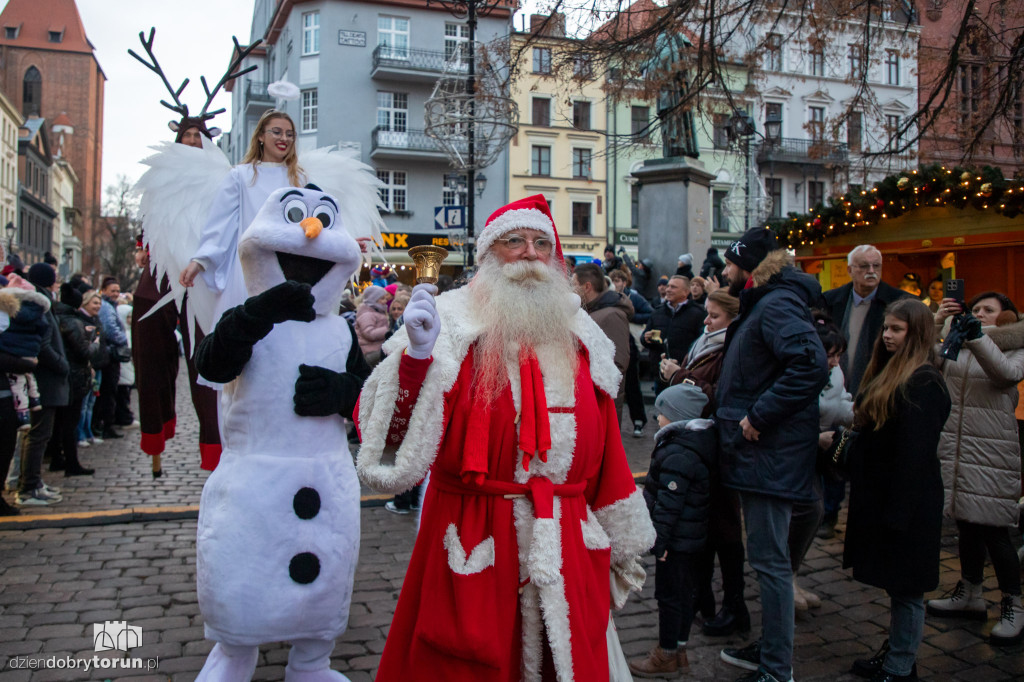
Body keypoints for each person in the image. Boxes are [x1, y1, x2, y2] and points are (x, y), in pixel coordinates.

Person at [356, 194, 655, 681]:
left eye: (541, 242)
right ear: (488, 257)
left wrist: (622, 542)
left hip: (566, 542)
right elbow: (388, 441)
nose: (531, 253)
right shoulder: (450, 324)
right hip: (473, 536)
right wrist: (416, 360)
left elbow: (607, 452)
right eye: (514, 241)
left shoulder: (581, 336)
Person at [715, 228, 828, 682]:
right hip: (763, 454)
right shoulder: (767, 300)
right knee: (768, 560)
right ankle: (771, 649)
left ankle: (777, 668)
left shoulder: (776, 303)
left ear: (748, 265)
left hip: (769, 452)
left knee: (771, 563)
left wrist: (757, 417)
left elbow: (811, 364)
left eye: (730, 263)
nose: (723, 272)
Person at [842, 299, 951, 681]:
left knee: (907, 590)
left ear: (916, 332)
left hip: (908, 504)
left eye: (897, 330)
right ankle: (896, 654)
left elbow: (915, 458)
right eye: (886, 328)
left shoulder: (923, 382)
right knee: (897, 587)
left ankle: (901, 666)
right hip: (887, 499)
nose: (887, 336)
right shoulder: (891, 371)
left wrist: (898, 515)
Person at [926, 291, 1024, 644]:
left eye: (989, 310)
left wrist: (979, 338)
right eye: (977, 309)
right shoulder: (958, 340)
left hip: (992, 450)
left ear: (1007, 317)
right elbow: (925, 362)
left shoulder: (1016, 344)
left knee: (995, 529)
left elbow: (1006, 375)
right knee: (965, 521)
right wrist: (937, 322)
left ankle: (1013, 603)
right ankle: (970, 593)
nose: (980, 313)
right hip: (956, 445)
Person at [656, 289, 749, 636]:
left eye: (714, 316)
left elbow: (719, 393)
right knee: (709, 524)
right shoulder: (707, 341)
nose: (706, 321)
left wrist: (679, 376)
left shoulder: (731, 347)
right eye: (707, 314)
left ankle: (734, 605)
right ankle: (704, 596)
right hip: (701, 440)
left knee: (724, 527)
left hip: (719, 441)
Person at [819, 244, 911, 538]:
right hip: (837, 387)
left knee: (869, 455)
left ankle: (868, 520)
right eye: (864, 266)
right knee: (833, 450)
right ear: (850, 270)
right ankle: (829, 513)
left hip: (877, 389)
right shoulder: (832, 300)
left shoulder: (898, 302)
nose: (871, 272)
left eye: (876, 266)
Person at [179, 109, 303, 318]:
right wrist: (200, 261)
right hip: (248, 269)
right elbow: (221, 223)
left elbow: (312, 223)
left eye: (289, 134)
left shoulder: (299, 179)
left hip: (288, 269)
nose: (284, 138)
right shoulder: (240, 176)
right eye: (277, 132)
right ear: (261, 136)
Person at [629, 383, 716, 678]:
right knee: (683, 595)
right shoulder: (691, 444)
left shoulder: (678, 452)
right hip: (691, 539)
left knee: (669, 598)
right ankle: (679, 651)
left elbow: (669, 505)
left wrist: (660, 542)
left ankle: (666, 654)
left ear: (677, 415)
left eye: (662, 412)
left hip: (677, 541)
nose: (657, 417)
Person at [789, 311, 853, 612]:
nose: (835, 362)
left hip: (815, 455)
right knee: (803, 513)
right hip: (794, 454)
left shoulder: (834, 373)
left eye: (839, 355)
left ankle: (792, 577)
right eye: (831, 355)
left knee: (812, 513)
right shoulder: (797, 373)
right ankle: (785, 582)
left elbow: (837, 404)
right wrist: (815, 439)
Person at [15, 263, 69, 507]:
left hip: (45, 380)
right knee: (39, 435)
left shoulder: (40, 301)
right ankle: (29, 487)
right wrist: (62, 364)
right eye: (55, 279)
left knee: (38, 435)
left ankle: (33, 483)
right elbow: (44, 345)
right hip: (46, 381)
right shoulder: (40, 304)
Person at [49, 284, 104, 477]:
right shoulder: (72, 321)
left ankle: (58, 458)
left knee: (60, 423)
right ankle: (71, 463)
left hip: (65, 376)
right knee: (69, 423)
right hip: (74, 377)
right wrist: (95, 344)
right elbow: (83, 352)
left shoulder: (57, 315)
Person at [574, 263, 634, 413]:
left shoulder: (612, 315)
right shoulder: (593, 310)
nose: (571, 290)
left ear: (587, 287)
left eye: (573, 285)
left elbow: (617, 363)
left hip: (602, 401)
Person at [642, 275, 704, 394]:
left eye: (673, 287)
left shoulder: (698, 314)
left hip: (685, 373)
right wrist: (646, 338)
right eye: (668, 286)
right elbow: (645, 338)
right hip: (661, 372)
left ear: (686, 292)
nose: (668, 289)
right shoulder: (657, 312)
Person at [94, 277, 127, 440]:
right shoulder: (106, 307)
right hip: (109, 353)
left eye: (117, 291)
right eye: (112, 290)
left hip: (110, 352)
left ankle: (107, 424)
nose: (115, 294)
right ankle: (106, 425)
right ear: (104, 290)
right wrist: (124, 339)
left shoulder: (110, 306)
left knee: (110, 391)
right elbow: (110, 330)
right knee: (108, 391)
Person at [354, 286, 391, 366]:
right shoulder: (367, 314)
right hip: (369, 351)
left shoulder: (377, 312)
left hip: (375, 348)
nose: (385, 301)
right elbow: (369, 333)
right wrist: (387, 330)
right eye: (382, 298)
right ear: (373, 299)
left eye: (385, 298)